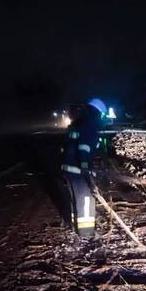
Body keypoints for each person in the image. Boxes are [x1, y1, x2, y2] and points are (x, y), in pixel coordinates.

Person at [60, 98, 107, 238]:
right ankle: (86, 235)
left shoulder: (78, 123)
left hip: (68, 168)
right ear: (97, 113)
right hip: (78, 169)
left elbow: (68, 146)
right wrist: (85, 166)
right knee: (86, 199)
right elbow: (84, 148)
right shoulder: (90, 125)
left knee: (76, 199)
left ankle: (76, 229)